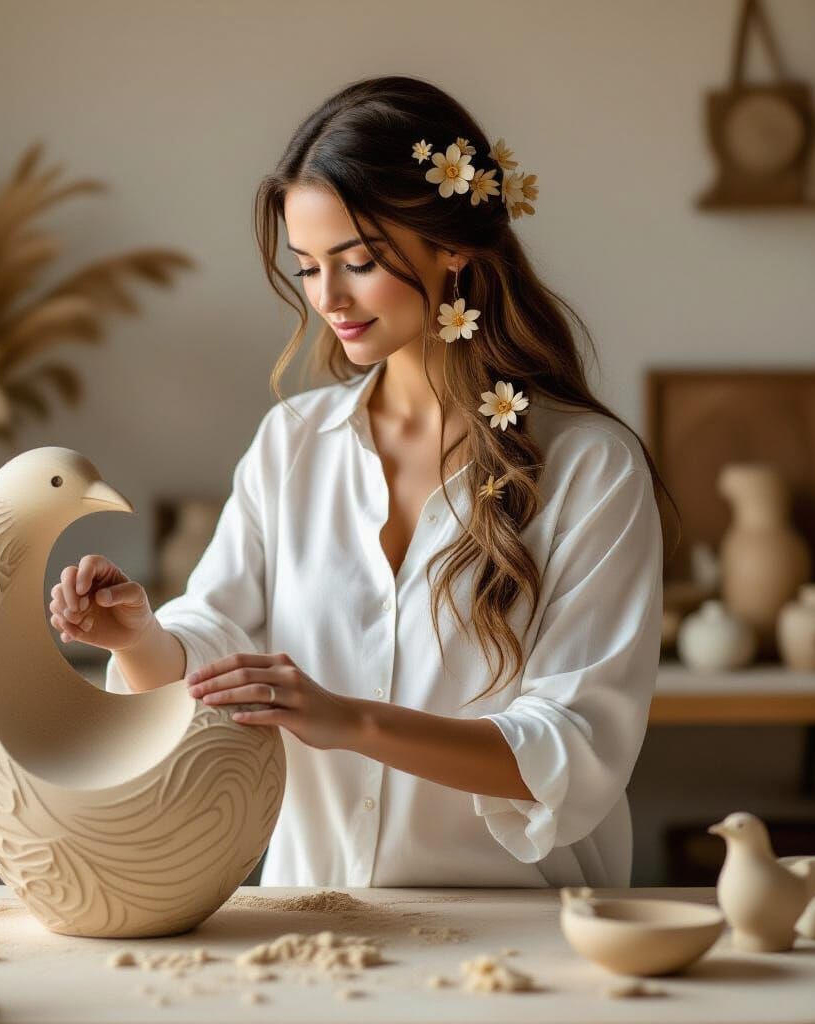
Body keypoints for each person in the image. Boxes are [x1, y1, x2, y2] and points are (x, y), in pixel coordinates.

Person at [48, 75, 673, 889]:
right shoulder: (293, 443)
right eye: (308, 268)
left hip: (522, 947)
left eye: (360, 262)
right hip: (318, 933)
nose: (329, 300)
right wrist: (136, 637)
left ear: (452, 243)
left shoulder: (590, 469)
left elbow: (577, 749)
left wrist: (352, 721)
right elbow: (215, 647)